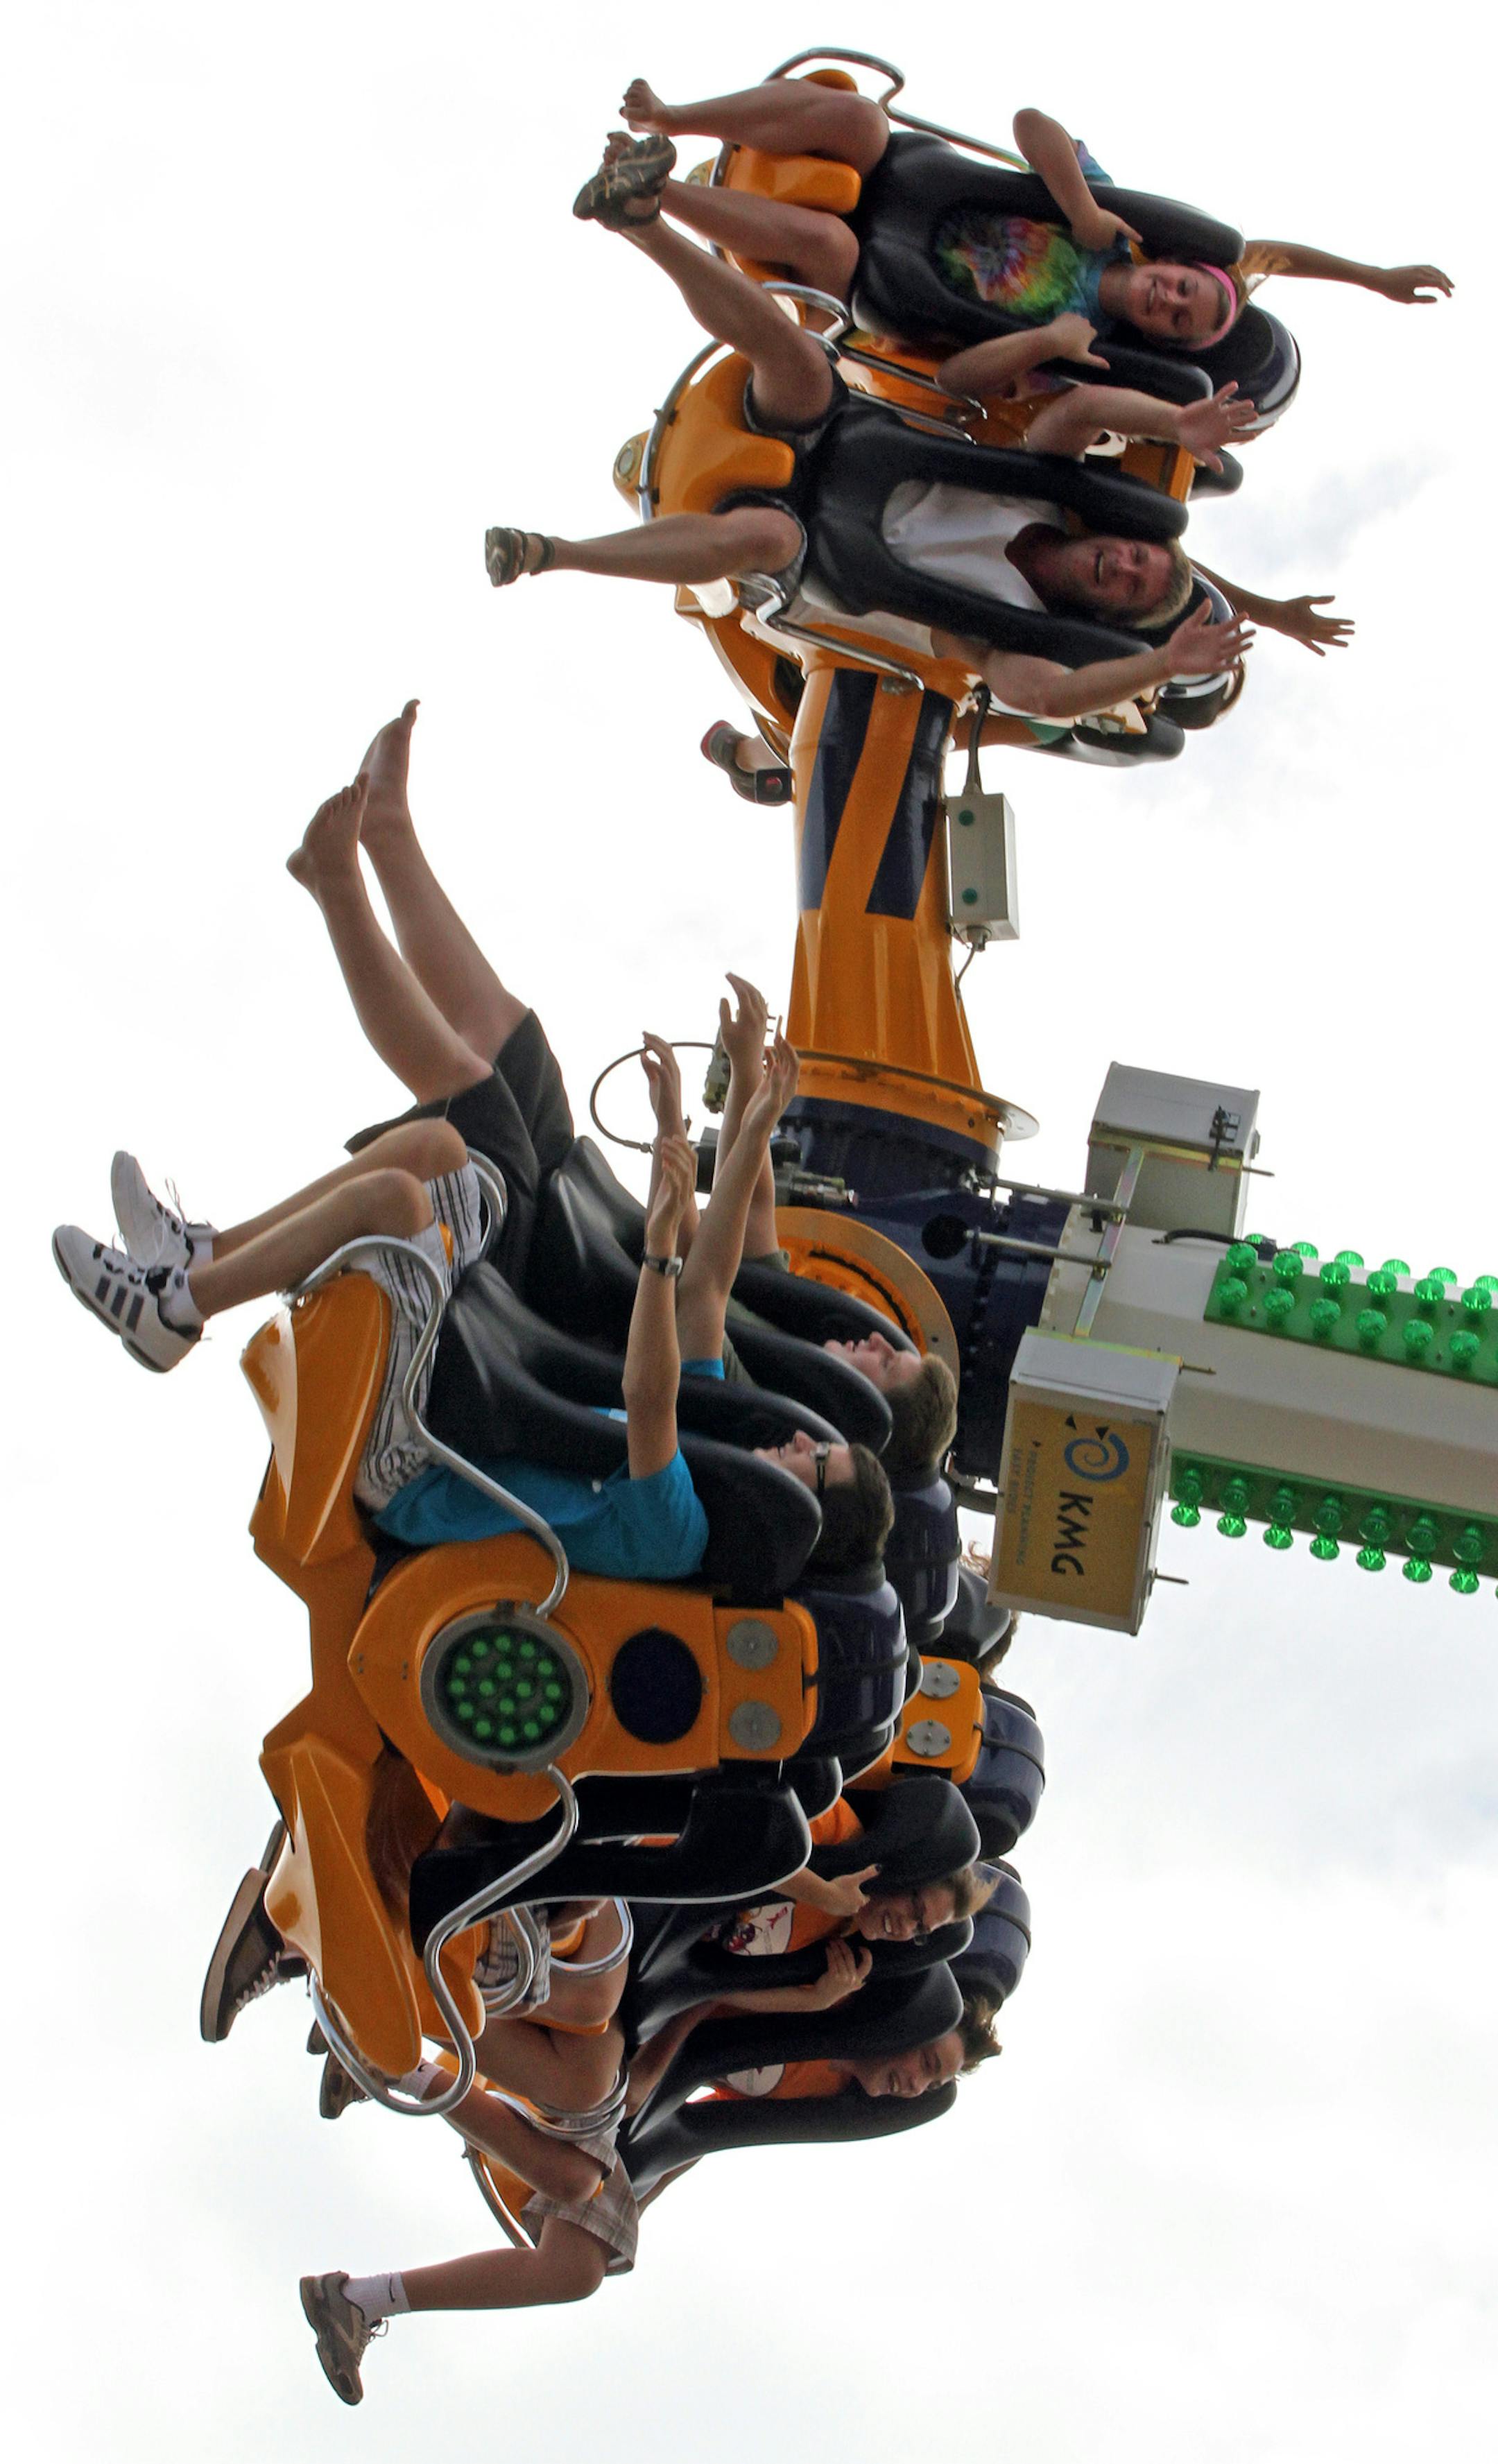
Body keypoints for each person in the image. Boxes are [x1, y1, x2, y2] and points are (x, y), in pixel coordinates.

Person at [268, 706, 894, 1571]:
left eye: (880, 1368)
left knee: (476, 1107)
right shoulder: (747, 1399)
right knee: (520, 1052)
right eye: (888, 1344)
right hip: (528, 1318)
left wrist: (717, 1154)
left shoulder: (698, 1483)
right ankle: (386, 839)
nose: (871, 1347)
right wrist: (732, 1107)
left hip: (522, 1313)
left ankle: (343, 884)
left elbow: (693, 1299)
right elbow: (743, 1249)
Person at [491, 175, 1252, 729]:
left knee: (762, 538)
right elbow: (1085, 406)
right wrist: (1179, 424)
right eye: (1134, 557)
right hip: (837, 436)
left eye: (1125, 588)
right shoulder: (1046, 486)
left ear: (1101, 610)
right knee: (796, 358)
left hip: (818, 544)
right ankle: (639, 221)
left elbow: (1046, 699)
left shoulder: (1006, 627)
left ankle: (550, 553)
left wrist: (1161, 667)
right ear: (1117, 535)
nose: (1121, 567)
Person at [298, 1988, 1000, 2404]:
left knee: (574, 2265)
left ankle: (357, 2295)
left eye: (935, 2084)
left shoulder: (827, 2096)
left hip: (651, 2101)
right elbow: (707, 1999)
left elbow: (710, 2126)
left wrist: (642, 2192)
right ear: (911, 2024)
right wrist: (649, 2079)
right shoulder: (838, 2005)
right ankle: (388, 2049)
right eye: (929, 2062)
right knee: (571, 2193)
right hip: (643, 2034)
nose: (918, 2082)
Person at [614, 80, 1451, 347]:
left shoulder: (1085, 348)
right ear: (1169, 266)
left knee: (826, 238)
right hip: (908, 182)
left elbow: (977, 376)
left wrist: (1047, 344)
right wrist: (1372, 278)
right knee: (867, 120)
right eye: (1182, 289)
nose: (1170, 300)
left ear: (1163, 336)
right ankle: (670, 121)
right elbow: (1032, 127)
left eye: (1179, 320)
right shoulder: (1107, 217)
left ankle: (655, 196)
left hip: (882, 275)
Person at [642, 985, 958, 1479]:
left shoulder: (755, 1404)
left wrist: (672, 1126)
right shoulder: (794, 1357)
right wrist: (749, 1072)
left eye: (889, 1362)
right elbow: (752, 1213)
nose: (877, 1338)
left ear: (864, 1410)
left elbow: (695, 1279)